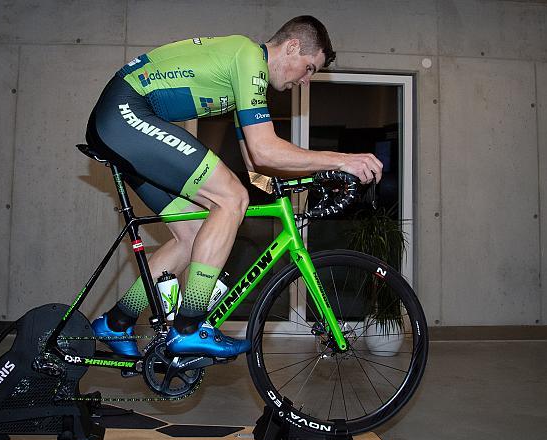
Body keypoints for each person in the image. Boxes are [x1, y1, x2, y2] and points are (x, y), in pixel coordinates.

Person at [86, 15, 383, 359]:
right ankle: (189, 326)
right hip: (126, 111)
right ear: (292, 46)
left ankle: (117, 321)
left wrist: (310, 178)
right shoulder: (248, 57)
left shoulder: (248, 80)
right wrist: (342, 159)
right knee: (231, 198)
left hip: (124, 126)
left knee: (195, 234)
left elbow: (258, 164)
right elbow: (265, 149)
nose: (305, 81)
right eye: (309, 68)